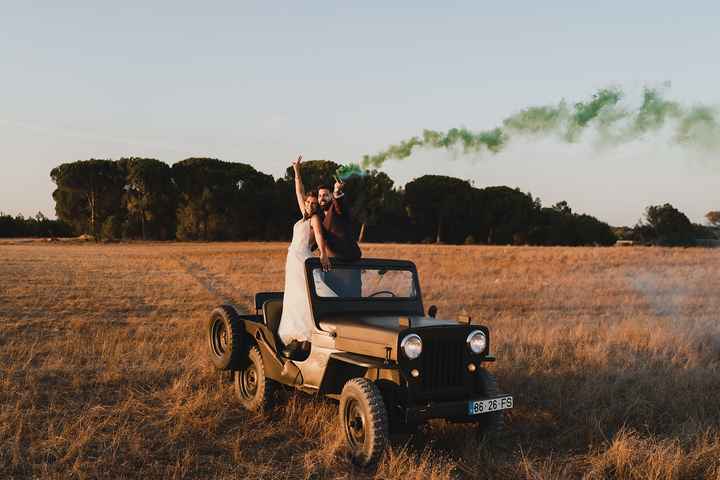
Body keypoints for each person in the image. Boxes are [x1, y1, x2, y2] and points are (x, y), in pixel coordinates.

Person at [277, 155, 332, 351]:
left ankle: (308, 335)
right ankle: (298, 336)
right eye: (308, 202)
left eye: (312, 203)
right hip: (292, 260)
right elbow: (298, 191)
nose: (309, 204)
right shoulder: (304, 215)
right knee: (293, 296)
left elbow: (318, 235)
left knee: (304, 297)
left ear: (316, 205)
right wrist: (297, 172)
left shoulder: (314, 219)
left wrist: (323, 254)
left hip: (302, 259)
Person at [317, 179, 362, 296]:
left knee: (352, 301)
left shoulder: (336, 209)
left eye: (326, 195)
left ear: (331, 196)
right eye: (320, 195)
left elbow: (341, 206)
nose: (322, 198)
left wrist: (337, 192)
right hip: (331, 269)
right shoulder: (317, 217)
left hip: (349, 265)